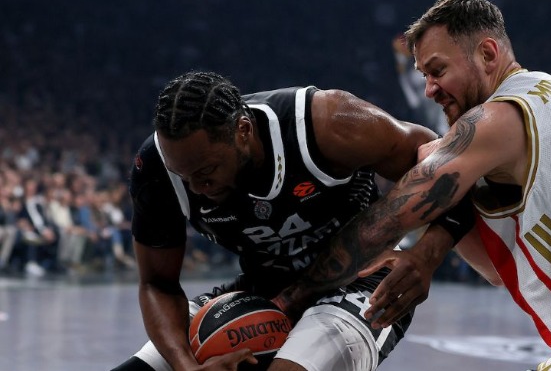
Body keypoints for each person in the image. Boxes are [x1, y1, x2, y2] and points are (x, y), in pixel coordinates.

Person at [273, 0, 551, 370]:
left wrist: (290, 298)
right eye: (423, 76)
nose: (429, 89)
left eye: (437, 71)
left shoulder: (496, 118)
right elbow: (495, 270)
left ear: (487, 54)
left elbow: (386, 222)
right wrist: (431, 249)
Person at [112, 71, 473, 371]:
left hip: (360, 280)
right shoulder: (157, 170)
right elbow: (157, 283)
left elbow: (459, 166)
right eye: (184, 175)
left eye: (206, 171)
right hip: (265, 288)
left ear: (243, 130)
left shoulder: (328, 123)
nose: (196, 187)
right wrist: (185, 367)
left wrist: (427, 255)